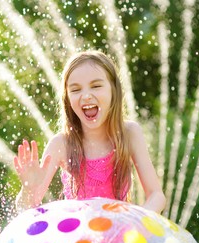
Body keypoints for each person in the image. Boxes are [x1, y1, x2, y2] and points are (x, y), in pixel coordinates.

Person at [14, 50, 166, 214]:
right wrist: (28, 190)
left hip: (119, 233)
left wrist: (138, 221)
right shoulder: (62, 144)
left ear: (114, 90)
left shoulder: (129, 134)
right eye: (75, 90)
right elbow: (25, 208)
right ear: (67, 98)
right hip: (77, 236)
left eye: (96, 86)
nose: (86, 96)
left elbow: (157, 195)